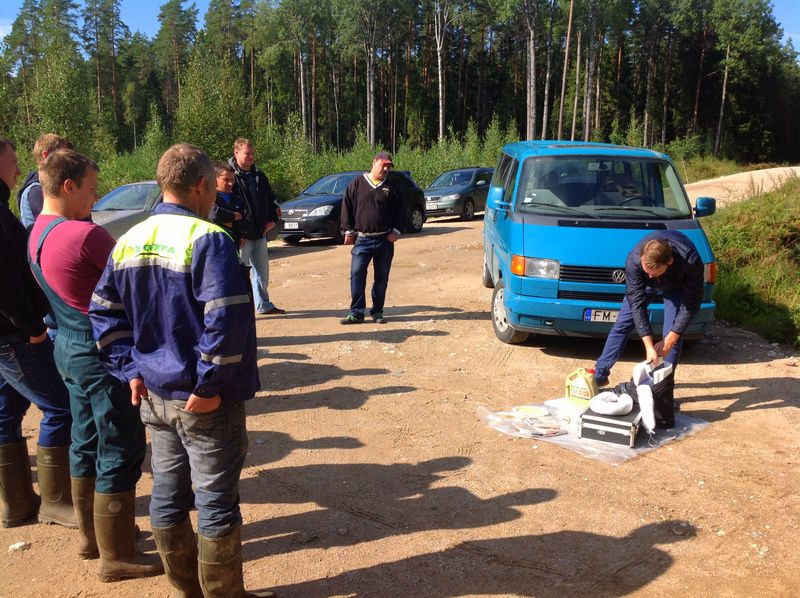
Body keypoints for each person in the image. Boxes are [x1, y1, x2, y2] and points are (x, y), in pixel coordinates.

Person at [89, 143, 272, 597]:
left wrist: (129, 370)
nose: (214, 196)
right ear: (202, 185)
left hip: (154, 395)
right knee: (215, 502)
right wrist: (211, 383)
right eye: (213, 187)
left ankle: (188, 590)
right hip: (203, 400)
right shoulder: (208, 239)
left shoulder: (127, 240)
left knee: (168, 494)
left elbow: (102, 313)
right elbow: (225, 318)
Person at [28, 149, 161, 581]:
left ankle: (92, 537)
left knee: (84, 440)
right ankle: (117, 554)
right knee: (120, 446)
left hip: (67, 346)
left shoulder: (38, 232)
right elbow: (137, 284)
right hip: (102, 350)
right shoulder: (83, 235)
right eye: (91, 188)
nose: (96, 196)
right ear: (68, 186)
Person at [0, 138, 74, 530]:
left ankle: (17, 504)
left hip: (8, 335)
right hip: (13, 335)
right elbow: (6, 282)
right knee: (61, 407)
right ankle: (56, 501)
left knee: (5, 412)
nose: (16, 169)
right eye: (11, 162)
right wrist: (31, 328)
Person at [593, 230, 705, 386]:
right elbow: (637, 305)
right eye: (648, 271)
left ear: (670, 261)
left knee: (671, 338)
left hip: (677, 285)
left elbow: (691, 303)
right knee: (622, 323)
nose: (652, 276)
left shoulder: (690, 260)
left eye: (655, 272)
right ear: (642, 259)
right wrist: (648, 346)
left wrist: (670, 339)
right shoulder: (635, 260)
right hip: (643, 284)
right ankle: (599, 375)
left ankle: (662, 388)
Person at [340, 151, 404, 325]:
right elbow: (346, 207)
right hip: (362, 240)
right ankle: (356, 313)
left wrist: (396, 232)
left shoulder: (391, 187)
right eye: (383, 164)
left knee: (381, 278)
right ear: (374, 162)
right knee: (356, 275)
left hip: (384, 241)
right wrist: (348, 231)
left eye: (388, 166)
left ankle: (377, 311)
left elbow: (401, 212)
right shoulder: (357, 184)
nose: (385, 168)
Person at [228, 138, 285, 315]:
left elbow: (271, 200)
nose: (251, 157)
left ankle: (263, 305)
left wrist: (272, 221)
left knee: (262, 275)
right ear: (236, 153)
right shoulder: (228, 178)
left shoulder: (259, 176)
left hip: (260, 234)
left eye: (253, 153)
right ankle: (240, 310)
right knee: (239, 275)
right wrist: (237, 234)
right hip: (241, 238)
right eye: (247, 153)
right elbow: (222, 208)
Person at [17, 134, 74, 230]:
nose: (68, 161)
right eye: (63, 156)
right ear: (46, 155)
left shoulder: (51, 186)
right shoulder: (35, 191)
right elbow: (51, 229)